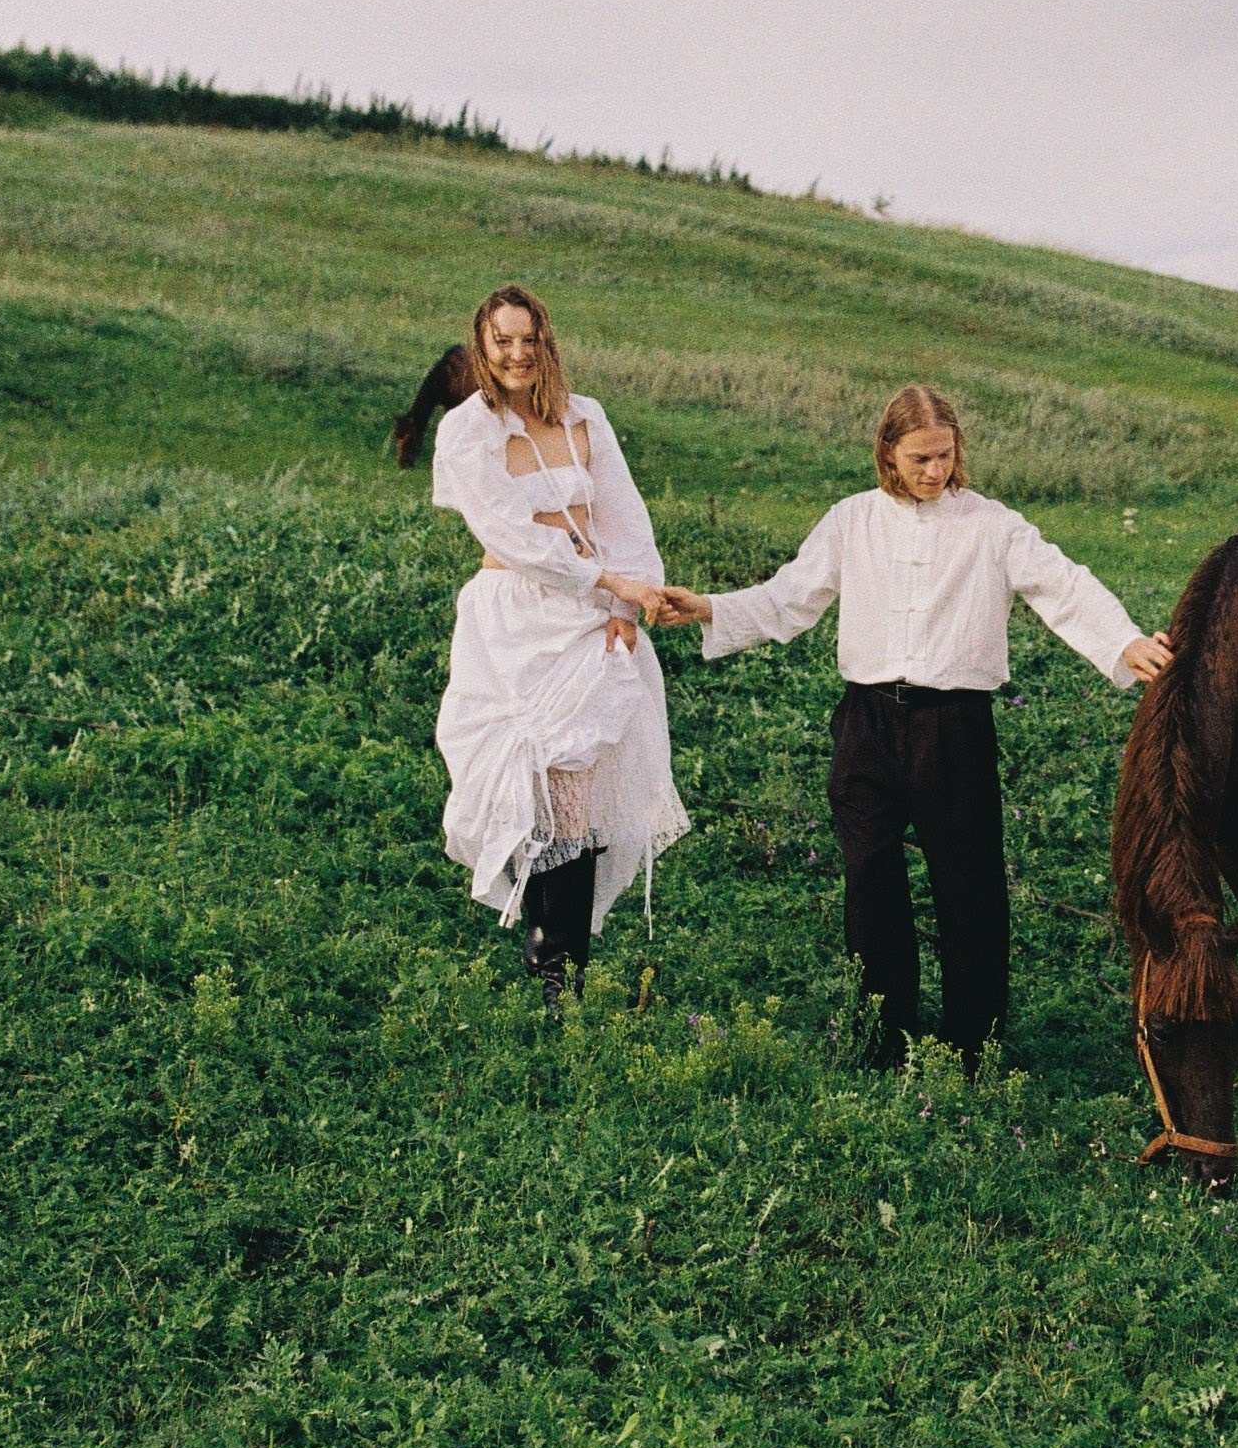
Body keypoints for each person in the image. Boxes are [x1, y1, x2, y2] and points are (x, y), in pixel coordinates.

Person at [656, 384, 1170, 1073]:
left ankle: (971, 1044)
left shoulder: (991, 525)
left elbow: (1062, 584)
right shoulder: (851, 521)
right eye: (919, 457)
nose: (934, 470)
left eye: (944, 456)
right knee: (869, 881)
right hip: (867, 723)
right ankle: (882, 1036)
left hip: (952, 727)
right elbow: (789, 597)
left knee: (968, 888)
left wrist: (1124, 639)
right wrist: (710, 607)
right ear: (888, 454)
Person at [428, 285, 688, 1001]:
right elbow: (514, 536)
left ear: (547, 342)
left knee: (578, 785)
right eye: (502, 341)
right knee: (537, 786)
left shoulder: (585, 416)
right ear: (482, 347)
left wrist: (626, 606)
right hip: (514, 622)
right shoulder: (469, 430)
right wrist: (611, 582)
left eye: (529, 339)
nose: (517, 354)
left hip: (591, 620)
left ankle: (560, 973)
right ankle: (552, 972)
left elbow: (624, 514)